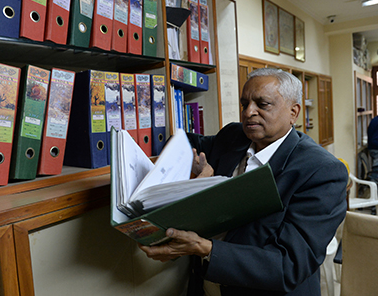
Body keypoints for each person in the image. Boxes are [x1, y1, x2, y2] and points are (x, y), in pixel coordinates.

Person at [138, 68, 348, 295]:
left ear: (293, 113)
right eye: (244, 103)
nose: (249, 112)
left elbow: (289, 266)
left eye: (262, 104)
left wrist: (204, 248)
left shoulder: (321, 171)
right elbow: (184, 141)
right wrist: (191, 166)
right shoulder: (234, 136)